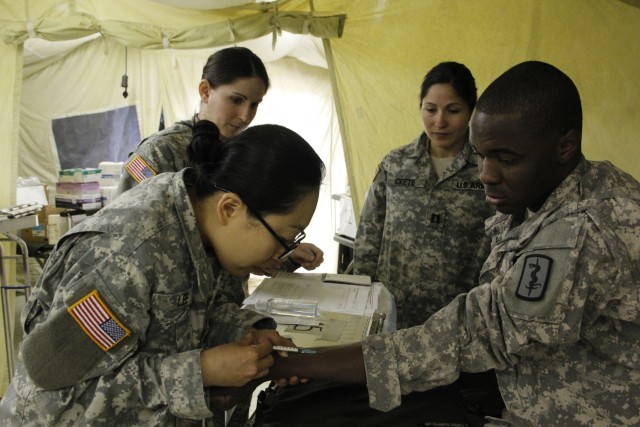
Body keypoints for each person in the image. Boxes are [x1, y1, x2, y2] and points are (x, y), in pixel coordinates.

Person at [232, 61, 640, 426]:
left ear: (564, 146)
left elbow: (479, 330)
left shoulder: (588, 228)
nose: (486, 174)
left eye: (505, 158)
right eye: (481, 156)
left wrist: (298, 362)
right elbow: (373, 240)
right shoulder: (537, 193)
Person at [0, 121, 326, 426]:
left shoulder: (202, 228)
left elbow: (183, 320)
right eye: (286, 236)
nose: (282, 253)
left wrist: (244, 335)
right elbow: (50, 385)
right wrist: (200, 371)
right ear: (230, 208)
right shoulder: (126, 257)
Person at [116, 46, 324, 276]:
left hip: (223, 303)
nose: (245, 115)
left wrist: (280, 250)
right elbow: (128, 239)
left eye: (254, 104)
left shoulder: (245, 154)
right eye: (236, 100)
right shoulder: (158, 152)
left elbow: (242, 232)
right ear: (205, 91)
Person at [354, 61, 494, 329]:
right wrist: (362, 297)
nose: (439, 122)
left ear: (471, 112)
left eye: (453, 111)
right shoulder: (395, 164)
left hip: (457, 322)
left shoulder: (486, 168)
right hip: (393, 315)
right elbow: (369, 237)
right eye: (430, 109)